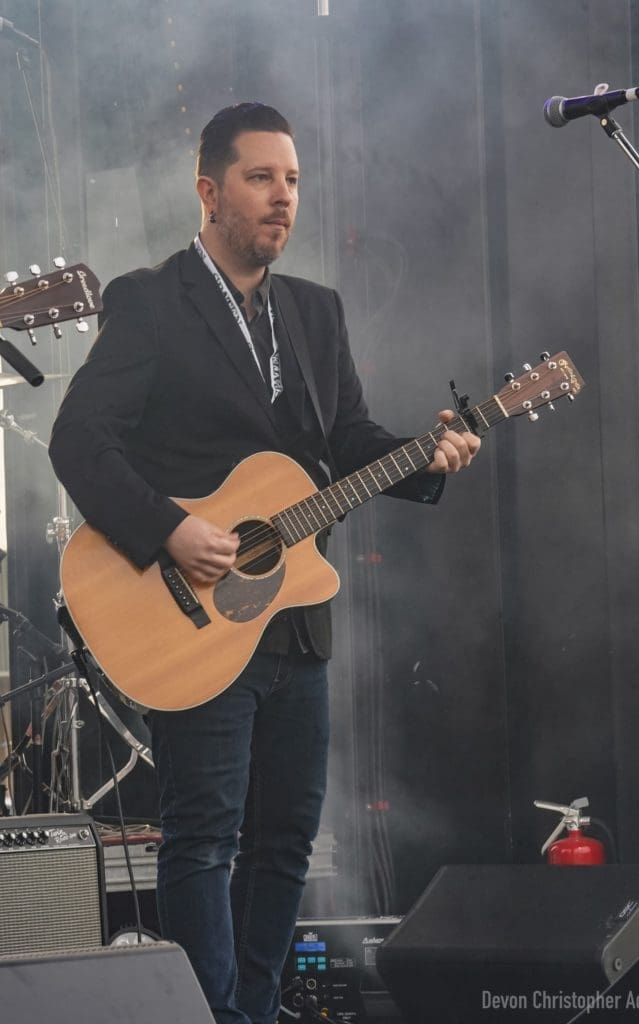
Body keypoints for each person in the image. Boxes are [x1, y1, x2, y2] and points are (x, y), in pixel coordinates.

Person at [49, 102, 481, 1024]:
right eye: (261, 179)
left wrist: (426, 455)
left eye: (291, 180)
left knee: (285, 840)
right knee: (203, 837)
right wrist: (168, 530)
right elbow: (80, 443)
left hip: (295, 618)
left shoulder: (316, 313)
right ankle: (209, 1016)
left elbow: (350, 441)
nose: (283, 198)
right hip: (190, 619)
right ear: (209, 191)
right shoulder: (149, 300)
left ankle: (251, 1009)